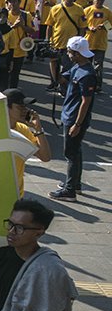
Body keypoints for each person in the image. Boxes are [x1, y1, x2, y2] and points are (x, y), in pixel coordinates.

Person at [50, 37, 97, 202]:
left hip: (74, 118)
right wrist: (53, 62)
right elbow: (61, 80)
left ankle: (70, 190)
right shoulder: (78, 67)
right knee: (76, 151)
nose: (68, 54)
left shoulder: (87, 74)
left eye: (70, 52)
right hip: (69, 114)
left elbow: (86, 101)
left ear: (77, 53)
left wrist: (77, 124)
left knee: (70, 153)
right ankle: (75, 184)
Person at [4, 88, 51, 197]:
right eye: (20, 107)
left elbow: (45, 157)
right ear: (6, 107)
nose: (24, 110)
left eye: (25, 106)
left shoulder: (23, 130)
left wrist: (38, 129)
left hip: (16, 194)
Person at [44, 0, 86, 90]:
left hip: (70, 45)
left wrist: (79, 41)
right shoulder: (55, 9)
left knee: (67, 67)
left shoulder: (79, 9)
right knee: (53, 63)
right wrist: (47, 40)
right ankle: (53, 82)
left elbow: (82, 27)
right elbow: (50, 25)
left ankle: (63, 87)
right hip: (56, 42)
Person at [84, 0, 110, 91]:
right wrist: (89, 28)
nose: (99, 1)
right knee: (87, 65)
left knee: (98, 66)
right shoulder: (87, 10)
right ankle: (86, 82)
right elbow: (82, 24)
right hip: (88, 42)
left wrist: (104, 26)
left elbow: (111, 27)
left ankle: (97, 85)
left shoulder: (107, 12)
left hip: (101, 43)